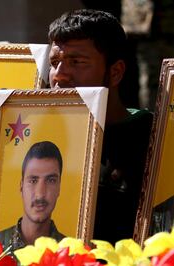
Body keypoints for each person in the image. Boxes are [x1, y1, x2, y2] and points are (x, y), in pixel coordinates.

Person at [48, 9, 153, 243]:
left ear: (115, 72)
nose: (60, 75)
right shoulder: (38, 136)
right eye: (54, 63)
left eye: (76, 61)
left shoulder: (153, 140)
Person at [0, 141, 65, 252]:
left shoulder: (72, 256)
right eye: (33, 180)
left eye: (51, 180)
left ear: (59, 188)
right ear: (21, 186)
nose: (40, 194)